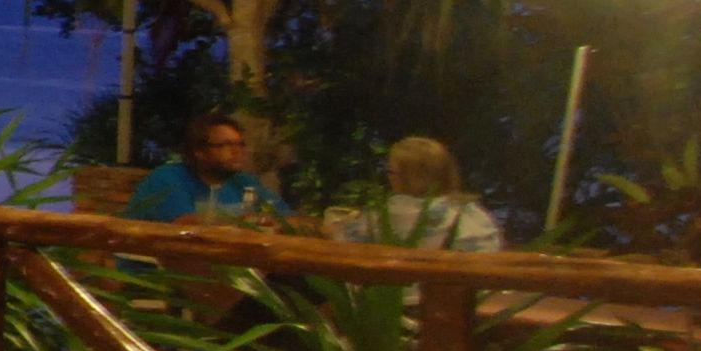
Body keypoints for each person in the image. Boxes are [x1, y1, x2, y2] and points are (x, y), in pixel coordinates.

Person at [328, 134, 503, 252]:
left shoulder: (397, 213)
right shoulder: (472, 213)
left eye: (391, 172)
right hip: (467, 301)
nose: (388, 178)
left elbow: (344, 242)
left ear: (411, 177)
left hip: (402, 302)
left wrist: (332, 228)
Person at [124, 111, 289, 228]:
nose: (237, 151)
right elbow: (187, 226)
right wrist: (253, 222)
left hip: (226, 270)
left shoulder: (243, 181)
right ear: (200, 152)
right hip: (158, 273)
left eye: (240, 144)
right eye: (226, 145)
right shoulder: (168, 179)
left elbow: (288, 219)